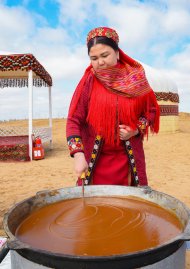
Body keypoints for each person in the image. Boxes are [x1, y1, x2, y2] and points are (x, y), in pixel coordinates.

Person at [66, 26, 160, 187]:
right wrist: (78, 155)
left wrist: (136, 129)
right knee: (93, 206)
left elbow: (151, 111)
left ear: (117, 53)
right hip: (95, 162)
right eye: (94, 58)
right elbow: (74, 119)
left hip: (129, 163)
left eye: (104, 55)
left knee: (131, 205)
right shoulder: (88, 82)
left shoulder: (136, 79)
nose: (100, 62)